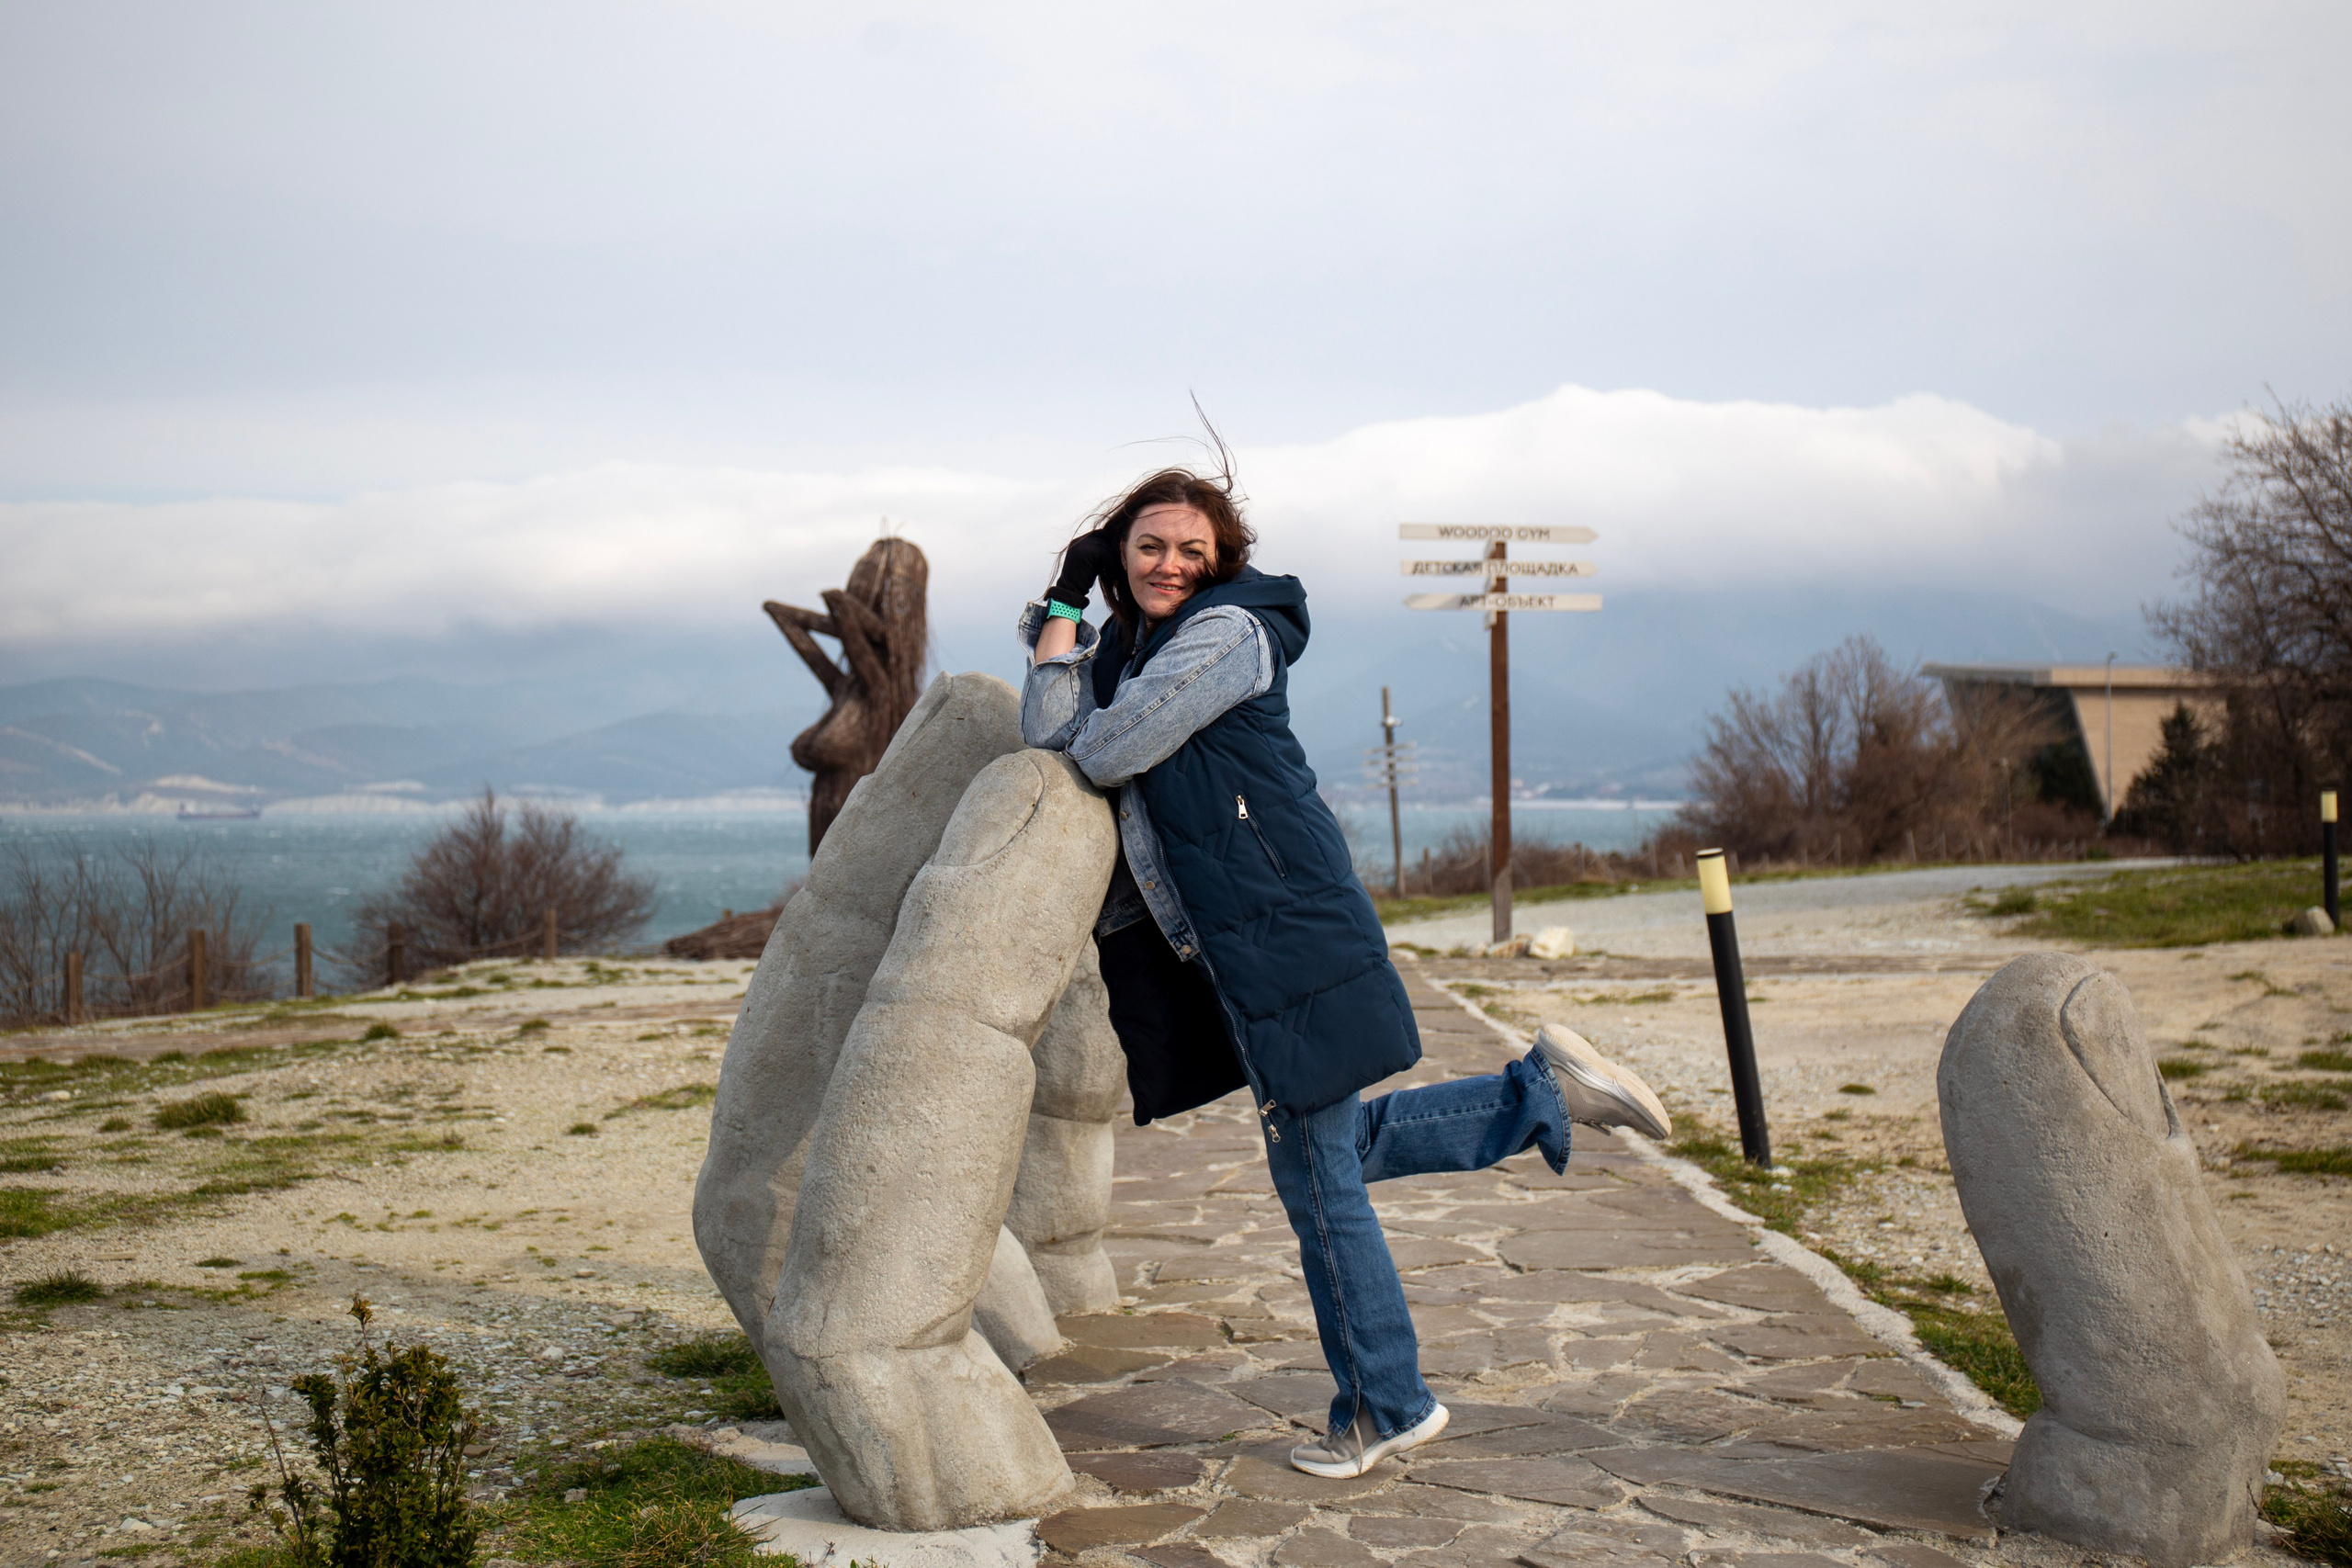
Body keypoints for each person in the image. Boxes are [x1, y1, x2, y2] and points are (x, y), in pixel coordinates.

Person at [1018, 459, 1672, 1480]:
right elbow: (1048, 737)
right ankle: (1541, 1092)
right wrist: (1064, 600)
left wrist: (1080, 655)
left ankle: (1386, 1404)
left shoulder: (1225, 636)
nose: (1170, 564)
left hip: (1282, 930)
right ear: (1119, 550)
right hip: (1233, 942)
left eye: (1193, 549)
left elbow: (1099, 757)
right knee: (1326, 1155)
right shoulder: (1130, 650)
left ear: (1224, 558)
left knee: (1320, 1178)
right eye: (1148, 545)